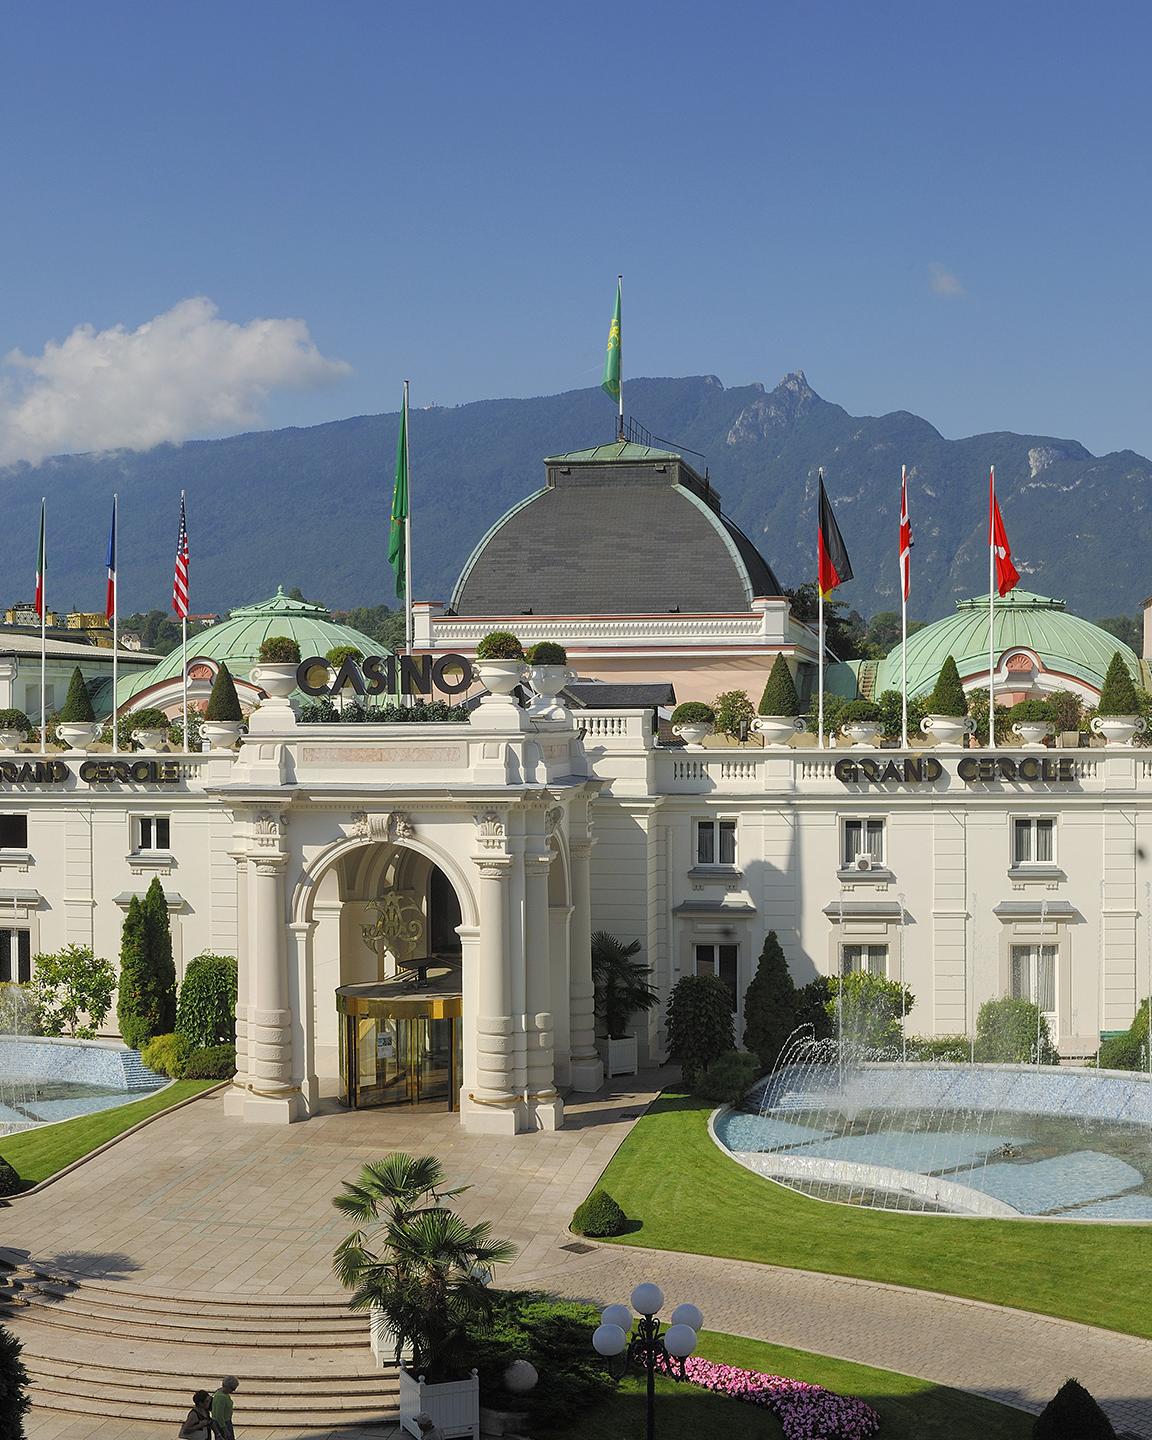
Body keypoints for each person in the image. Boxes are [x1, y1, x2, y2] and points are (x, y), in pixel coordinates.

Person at [211, 1376, 240, 1440]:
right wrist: (225, 1429)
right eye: (232, 1389)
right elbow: (219, 1415)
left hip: (225, 1422)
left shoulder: (222, 1393)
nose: (233, 1391)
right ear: (227, 1387)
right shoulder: (221, 1397)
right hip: (223, 1423)